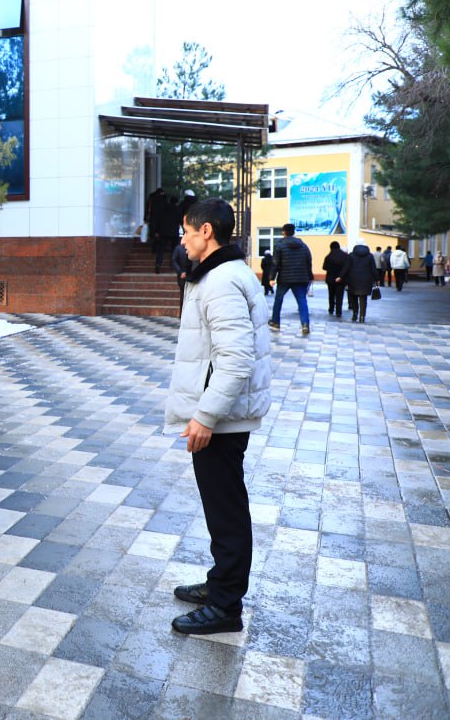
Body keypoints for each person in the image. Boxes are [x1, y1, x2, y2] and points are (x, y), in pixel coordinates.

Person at [167, 197, 272, 636]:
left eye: (186, 232)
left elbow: (235, 359)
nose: (183, 240)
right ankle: (219, 585)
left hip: (222, 418)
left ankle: (226, 605)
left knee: (226, 510)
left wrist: (206, 416)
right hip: (223, 413)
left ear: (206, 231)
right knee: (221, 505)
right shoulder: (218, 273)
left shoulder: (222, 281)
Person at [269, 223, 313, 335]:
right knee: (302, 301)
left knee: (278, 299)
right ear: (294, 232)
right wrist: (310, 276)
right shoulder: (303, 245)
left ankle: (275, 322)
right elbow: (308, 261)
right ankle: (305, 324)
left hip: (285, 278)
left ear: (283, 232)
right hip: (301, 278)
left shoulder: (280, 245)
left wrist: (272, 278)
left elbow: (275, 263)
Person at [337, 242, 379, 323]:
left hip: (353, 279)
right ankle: (362, 317)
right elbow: (373, 268)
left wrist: (340, 276)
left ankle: (355, 314)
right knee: (363, 299)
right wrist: (377, 278)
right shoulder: (370, 256)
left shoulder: (351, 255)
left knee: (354, 298)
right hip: (366, 280)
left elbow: (346, 267)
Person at [321, 241, 349, 318]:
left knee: (331, 294)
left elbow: (324, 267)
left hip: (330, 279)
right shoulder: (345, 256)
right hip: (341, 279)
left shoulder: (328, 256)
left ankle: (331, 309)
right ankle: (338, 311)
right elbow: (347, 267)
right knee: (340, 295)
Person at [171, 236, 193, 310]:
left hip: (191, 275)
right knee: (183, 295)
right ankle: (182, 314)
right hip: (182, 276)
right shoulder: (179, 248)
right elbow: (174, 260)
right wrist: (180, 272)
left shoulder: (193, 248)